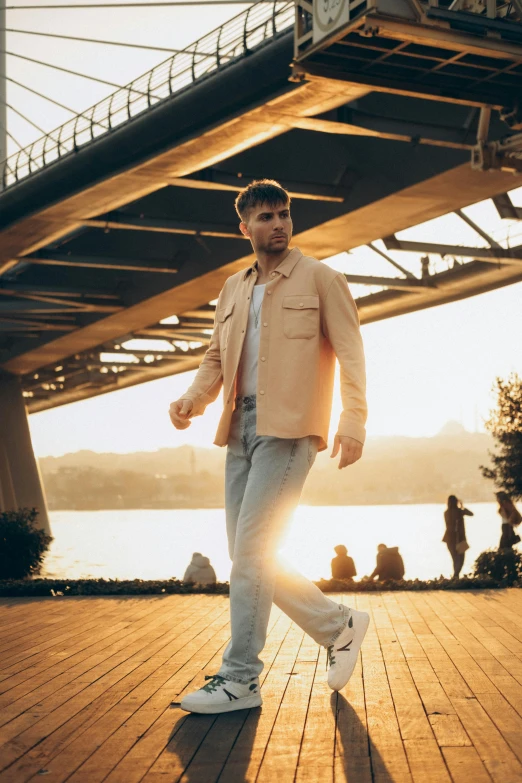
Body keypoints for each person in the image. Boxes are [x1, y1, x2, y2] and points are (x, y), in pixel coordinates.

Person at [169, 179, 369, 714]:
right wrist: (193, 399)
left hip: (291, 429)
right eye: (264, 217)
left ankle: (240, 678)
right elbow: (216, 356)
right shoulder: (233, 288)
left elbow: (352, 353)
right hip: (240, 430)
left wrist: (353, 421)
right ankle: (338, 626)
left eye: (283, 214)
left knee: (253, 553)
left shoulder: (323, 279)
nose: (277, 223)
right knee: (246, 556)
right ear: (244, 227)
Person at [442, 495, 473, 579]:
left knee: (455, 559)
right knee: (461, 559)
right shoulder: (460, 511)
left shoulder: (446, 513)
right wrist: (462, 506)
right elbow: (471, 514)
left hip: (449, 538)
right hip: (460, 537)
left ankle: (456, 576)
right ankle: (456, 575)